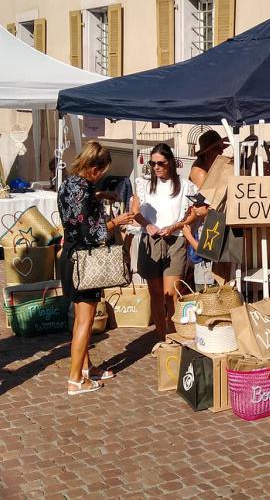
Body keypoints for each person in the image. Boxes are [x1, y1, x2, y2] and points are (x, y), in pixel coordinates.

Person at [57, 141, 135, 395]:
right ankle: (75, 380)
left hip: (69, 256)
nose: (101, 176)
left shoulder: (69, 183)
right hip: (84, 260)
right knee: (85, 322)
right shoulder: (85, 189)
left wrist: (99, 196)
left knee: (79, 319)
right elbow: (92, 233)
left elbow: (75, 210)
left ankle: (85, 368)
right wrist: (116, 221)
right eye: (101, 171)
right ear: (93, 168)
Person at [133, 143, 195, 336]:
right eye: (152, 163)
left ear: (171, 163)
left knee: (172, 294)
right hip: (150, 240)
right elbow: (134, 212)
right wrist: (147, 224)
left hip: (174, 240)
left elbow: (194, 214)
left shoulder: (184, 185)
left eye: (161, 163)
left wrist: (175, 226)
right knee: (156, 294)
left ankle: (174, 336)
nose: (156, 167)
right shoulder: (143, 184)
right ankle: (162, 338)